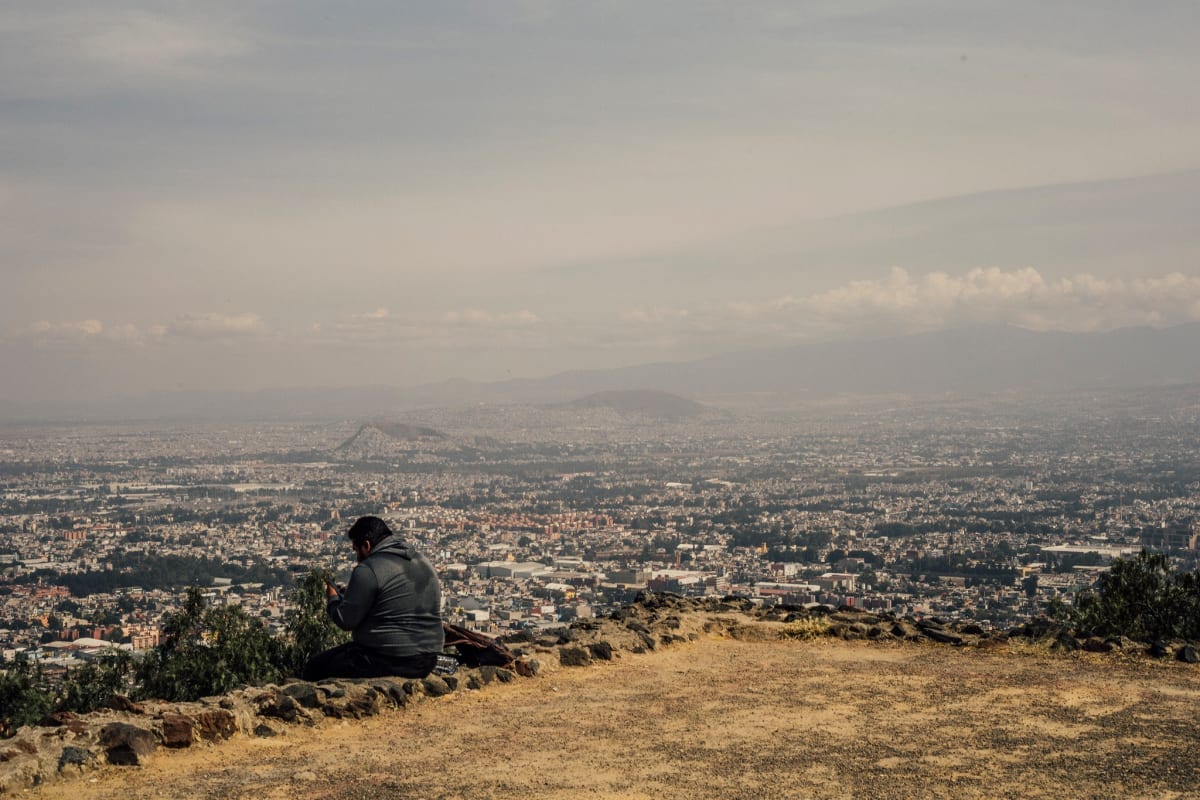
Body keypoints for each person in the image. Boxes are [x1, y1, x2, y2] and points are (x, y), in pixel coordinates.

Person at [302, 515, 444, 681]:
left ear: (367, 545)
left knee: (314, 667)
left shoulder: (368, 569)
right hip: (429, 659)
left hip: (391, 658)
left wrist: (333, 598)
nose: (357, 556)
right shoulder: (421, 560)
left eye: (356, 550)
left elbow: (345, 621)